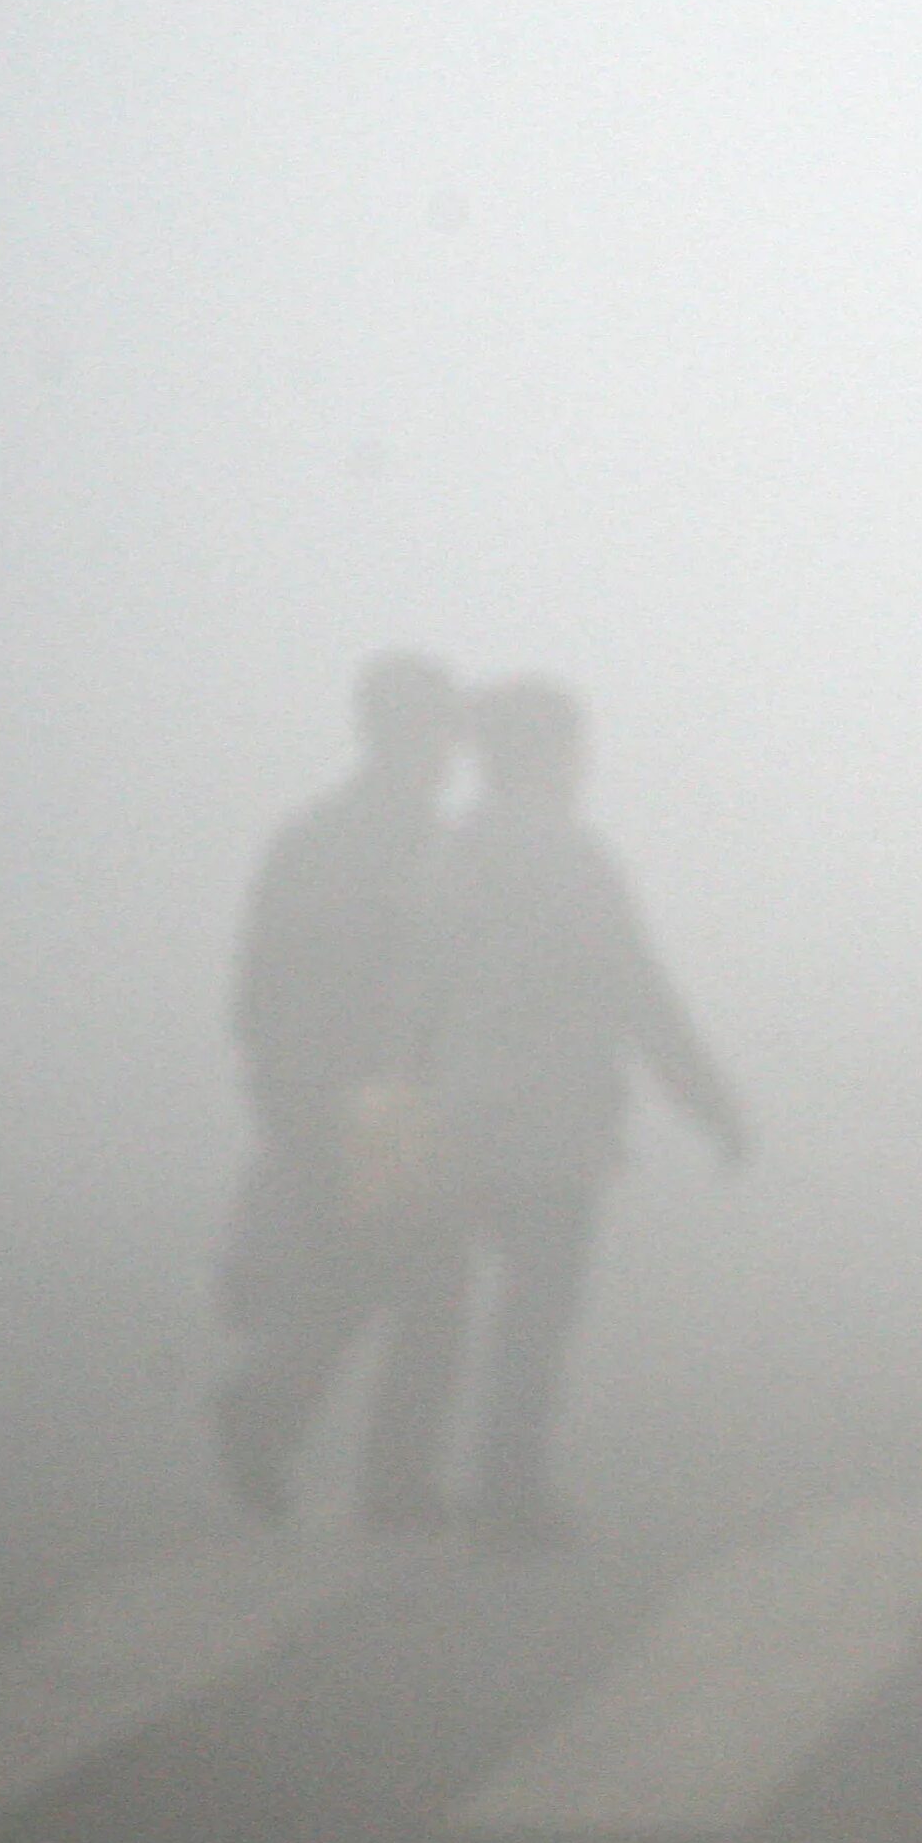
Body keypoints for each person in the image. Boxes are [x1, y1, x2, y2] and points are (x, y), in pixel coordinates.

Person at [375, 676, 748, 1544]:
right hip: (544, 1126)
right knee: (533, 1314)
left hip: (438, 1115)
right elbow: (638, 990)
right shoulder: (573, 858)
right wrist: (712, 1104)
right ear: (553, 753)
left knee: (429, 1300)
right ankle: (511, 1490)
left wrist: (387, 1135)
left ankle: (395, 1477)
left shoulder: (446, 853)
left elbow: (408, 1003)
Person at [213, 650, 467, 1527]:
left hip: (338, 1086)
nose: (447, 749)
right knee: (427, 1279)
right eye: (438, 728)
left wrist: (271, 1080)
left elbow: (254, 978)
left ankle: (269, 1412)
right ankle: (380, 1473)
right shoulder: (415, 845)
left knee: (350, 1271)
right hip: (378, 1093)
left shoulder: (316, 835)